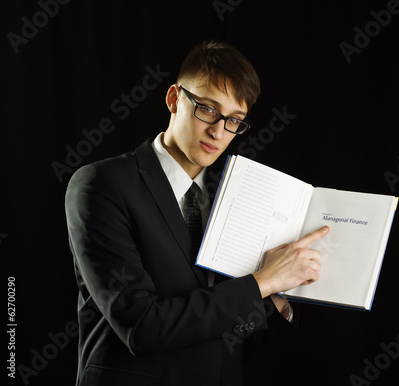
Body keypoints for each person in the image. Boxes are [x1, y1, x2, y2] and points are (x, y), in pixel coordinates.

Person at [65, 40, 329, 386]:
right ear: (174, 99)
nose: (218, 132)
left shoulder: (236, 193)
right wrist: (265, 281)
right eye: (207, 109)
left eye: (235, 120)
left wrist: (278, 299)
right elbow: (142, 327)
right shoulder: (101, 184)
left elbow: (228, 334)